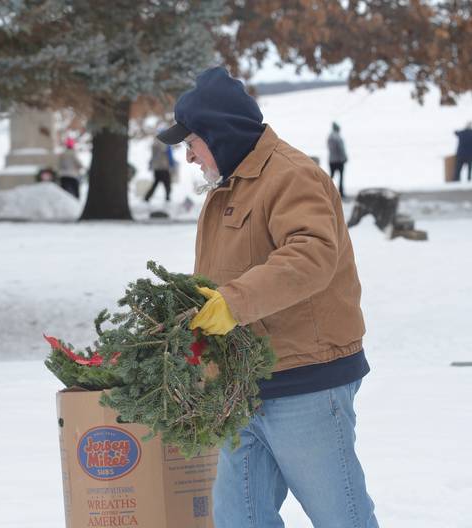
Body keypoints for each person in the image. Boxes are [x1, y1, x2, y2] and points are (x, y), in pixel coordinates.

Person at [158, 67, 378, 528]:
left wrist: (232, 303)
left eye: (192, 141)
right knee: (240, 518)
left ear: (219, 133)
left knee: (341, 516)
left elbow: (311, 255)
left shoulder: (291, 175)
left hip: (307, 380)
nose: (190, 155)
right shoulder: (232, 185)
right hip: (246, 383)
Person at [145, 137, 172, 202]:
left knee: (156, 182)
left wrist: (151, 164)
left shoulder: (154, 144)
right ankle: (167, 198)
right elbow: (169, 155)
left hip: (156, 167)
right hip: (163, 167)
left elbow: (153, 156)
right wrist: (171, 163)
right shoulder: (165, 144)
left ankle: (147, 197)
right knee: (167, 183)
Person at [327, 122, 348, 197]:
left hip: (331, 160)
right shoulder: (338, 137)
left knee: (331, 176)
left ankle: (327, 190)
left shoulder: (329, 137)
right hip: (339, 160)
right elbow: (341, 149)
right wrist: (345, 157)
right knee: (341, 177)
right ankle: (341, 192)